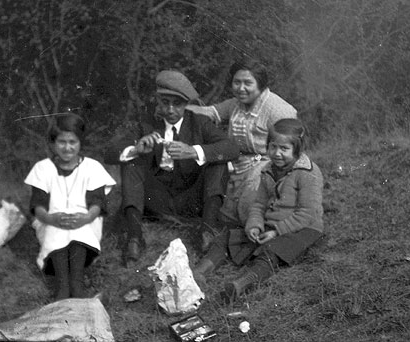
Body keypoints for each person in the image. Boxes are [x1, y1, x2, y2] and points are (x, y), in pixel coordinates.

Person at [104, 70, 240, 267]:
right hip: (156, 200)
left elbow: (231, 148)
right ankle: (134, 237)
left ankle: (207, 230)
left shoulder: (199, 123)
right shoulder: (146, 123)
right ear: (158, 101)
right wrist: (136, 148)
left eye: (177, 104)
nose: (170, 109)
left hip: (191, 199)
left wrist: (193, 151)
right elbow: (110, 153)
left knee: (217, 162)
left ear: (186, 104)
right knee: (132, 161)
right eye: (165, 102)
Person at [195, 118, 324, 302]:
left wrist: (276, 232)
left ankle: (241, 285)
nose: (277, 153)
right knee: (227, 237)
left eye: (284, 149)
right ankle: (200, 272)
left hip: (303, 228)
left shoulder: (307, 173)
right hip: (271, 224)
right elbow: (259, 204)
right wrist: (254, 225)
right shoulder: (268, 170)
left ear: (298, 149)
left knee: (271, 251)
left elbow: (307, 214)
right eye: (273, 147)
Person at [187, 59, 297, 228]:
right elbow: (211, 112)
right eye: (236, 82)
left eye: (247, 83)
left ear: (260, 84)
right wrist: (181, 109)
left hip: (269, 167)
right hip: (237, 165)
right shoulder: (235, 104)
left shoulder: (279, 110)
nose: (241, 88)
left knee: (249, 206)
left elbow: (291, 151)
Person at [24, 113, 116, 300]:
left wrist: (86, 218)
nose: (67, 148)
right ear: (53, 144)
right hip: (51, 220)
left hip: (84, 220)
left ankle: (77, 282)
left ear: (80, 143)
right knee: (55, 233)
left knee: (78, 233)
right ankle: (62, 286)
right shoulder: (43, 168)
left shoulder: (91, 167)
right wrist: (51, 218)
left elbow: (97, 203)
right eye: (62, 142)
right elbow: (38, 205)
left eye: (72, 142)